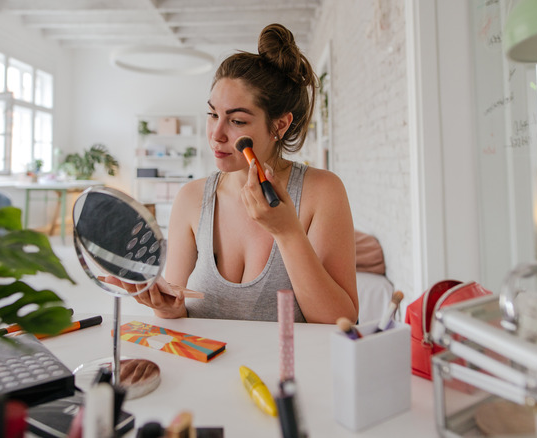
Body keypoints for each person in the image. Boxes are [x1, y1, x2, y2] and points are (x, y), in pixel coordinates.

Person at [113, 23, 357, 324]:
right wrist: (166, 306)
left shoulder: (322, 191)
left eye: (237, 121)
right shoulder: (191, 199)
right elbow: (178, 311)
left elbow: (340, 321)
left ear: (279, 125)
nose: (216, 135)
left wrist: (287, 232)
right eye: (213, 114)